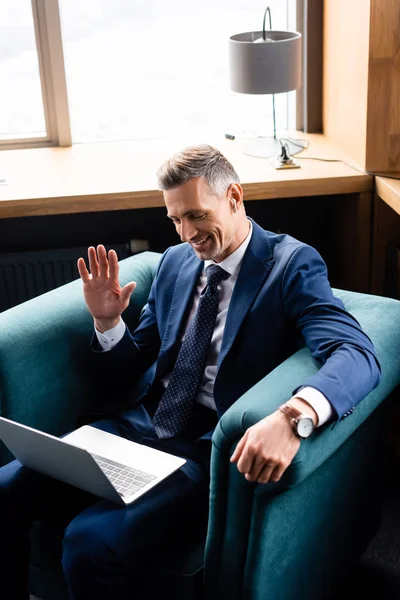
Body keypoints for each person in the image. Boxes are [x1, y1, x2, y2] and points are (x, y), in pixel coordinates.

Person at [0, 145, 380, 600]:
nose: (187, 234)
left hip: (201, 451)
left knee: (89, 542)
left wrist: (294, 414)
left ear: (234, 197)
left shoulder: (291, 265)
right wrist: (107, 322)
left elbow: (356, 352)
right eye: (175, 220)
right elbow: (134, 362)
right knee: (6, 488)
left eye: (196, 216)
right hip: (136, 425)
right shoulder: (177, 262)